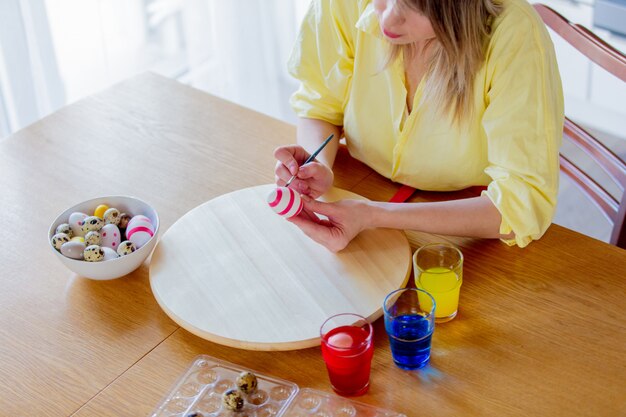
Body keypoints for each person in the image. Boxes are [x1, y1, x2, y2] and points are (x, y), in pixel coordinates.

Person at [274, 0, 564, 252]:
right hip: (362, 187)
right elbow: (320, 101)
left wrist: (374, 215)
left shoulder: (516, 35)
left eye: (415, 7)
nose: (386, 18)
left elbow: (522, 203)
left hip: (463, 221)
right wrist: (319, 164)